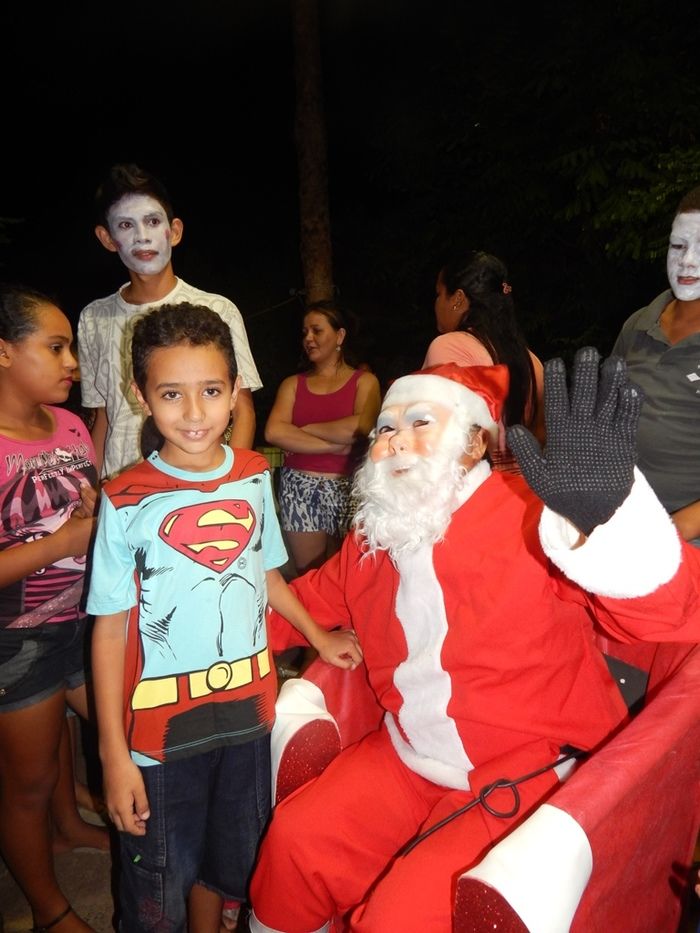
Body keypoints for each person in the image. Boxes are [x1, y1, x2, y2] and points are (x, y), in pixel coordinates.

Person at [247, 350, 700, 933]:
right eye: (386, 428)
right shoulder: (373, 539)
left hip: (530, 767)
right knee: (295, 846)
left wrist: (606, 523)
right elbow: (304, 605)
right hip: (408, 754)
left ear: (472, 442)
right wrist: (193, 624)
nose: (396, 441)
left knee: (402, 918)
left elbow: (671, 616)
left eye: (420, 423)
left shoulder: (534, 520)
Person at [87, 303, 362, 933]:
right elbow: (108, 628)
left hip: (247, 715)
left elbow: (265, 573)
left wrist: (319, 635)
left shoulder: (253, 474)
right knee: (156, 887)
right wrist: (112, 752)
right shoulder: (125, 498)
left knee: (226, 866)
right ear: (141, 396)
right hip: (157, 733)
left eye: (211, 391)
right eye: (171, 394)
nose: (193, 413)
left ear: (234, 390)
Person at [0, 283, 108, 933]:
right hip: (16, 637)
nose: (72, 362)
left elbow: (92, 508)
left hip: (81, 617)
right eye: (57, 346)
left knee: (70, 743)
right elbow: (67, 534)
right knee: (27, 782)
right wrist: (64, 542)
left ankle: (69, 829)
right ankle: (48, 907)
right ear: (4, 352)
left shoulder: (69, 425)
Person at [78, 162, 262, 480]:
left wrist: (232, 481)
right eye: (125, 225)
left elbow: (242, 407)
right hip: (121, 490)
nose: (142, 237)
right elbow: (104, 415)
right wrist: (95, 487)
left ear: (174, 231)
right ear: (107, 238)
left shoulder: (217, 309)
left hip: (197, 485)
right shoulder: (93, 318)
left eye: (152, 221)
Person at [612, 185, 700, 547]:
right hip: (621, 527)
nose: (688, 261)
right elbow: (608, 417)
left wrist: (673, 532)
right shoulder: (638, 324)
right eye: (678, 246)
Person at [264, 302, 381, 574]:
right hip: (299, 489)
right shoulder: (292, 384)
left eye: (317, 330)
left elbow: (360, 428)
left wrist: (301, 428)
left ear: (339, 336)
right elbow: (273, 432)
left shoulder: (365, 382)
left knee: (351, 573)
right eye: (305, 332)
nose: (308, 338)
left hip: (348, 485)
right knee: (311, 575)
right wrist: (334, 443)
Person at [423, 250, 545, 472]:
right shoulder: (531, 361)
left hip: (470, 490)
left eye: (439, 294)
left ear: (458, 299)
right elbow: (541, 436)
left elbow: (446, 436)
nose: (436, 303)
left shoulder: (448, 347)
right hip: (520, 493)